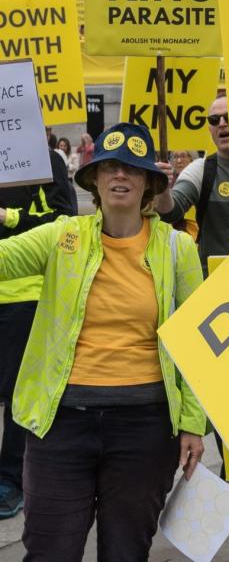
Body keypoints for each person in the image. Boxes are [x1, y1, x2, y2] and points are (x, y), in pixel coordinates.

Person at [0, 122, 205, 560]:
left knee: (126, 553)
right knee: (49, 551)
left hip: (145, 431)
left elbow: (197, 343)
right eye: (109, 167)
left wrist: (192, 422)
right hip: (60, 426)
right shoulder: (63, 236)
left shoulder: (177, 249)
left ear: (150, 182)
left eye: (132, 169)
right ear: (93, 179)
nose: (120, 177)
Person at [0, 150, 76, 520]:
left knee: (18, 392)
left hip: (23, 295)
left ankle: (11, 481)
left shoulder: (45, 160)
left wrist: (9, 217)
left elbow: (66, 221)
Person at [155, 94, 229, 273]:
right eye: (214, 119)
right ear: (210, 129)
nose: (221, 123)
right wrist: (161, 189)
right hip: (217, 286)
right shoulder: (200, 170)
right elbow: (170, 213)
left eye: (228, 117)